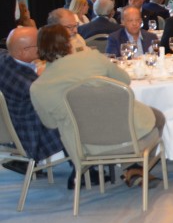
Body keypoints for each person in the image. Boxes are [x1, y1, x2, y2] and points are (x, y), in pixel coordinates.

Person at [30, 24, 164, 187]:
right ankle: (137, 167)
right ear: (68, 43)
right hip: (127, 137)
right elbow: (124, 81)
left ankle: (132, 169)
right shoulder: (92, 58)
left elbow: (50, 124)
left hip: (84, 148)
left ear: (39, 49)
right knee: (157, 117)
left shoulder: (38, 87)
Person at [0, 27, 63, 174]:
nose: (44, 45)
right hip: (30, 133)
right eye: (39, 43)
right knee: (74, 113)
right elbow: (51, 98)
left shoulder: (5, 62)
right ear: (23, 51)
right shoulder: (28, 85)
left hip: (12, 128)